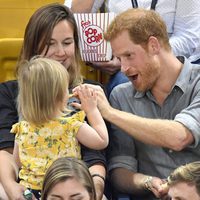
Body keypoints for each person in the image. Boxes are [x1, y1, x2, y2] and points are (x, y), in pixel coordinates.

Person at [73, 8, 200, 200]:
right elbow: (120, 171)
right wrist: (148, 182)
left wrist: (109, 112)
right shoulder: (121, 96)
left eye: (129, 56)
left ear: (153, 45)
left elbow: (180, 136)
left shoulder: (197, 83)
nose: (123, 69)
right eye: (119, 58)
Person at [0, 3, 106, 200]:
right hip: (28, 186)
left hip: (77, 183)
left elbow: (96, 154)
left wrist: (94, 188)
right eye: (50, 43)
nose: (60, 52)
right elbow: (8, 152)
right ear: (33, 45)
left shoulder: (88, 91)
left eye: (67, 43)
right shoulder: (8, 92)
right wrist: (12, 187)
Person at [11, 57, 108, 199]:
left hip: (32, 193)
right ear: (60, 96)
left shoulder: (22, 128)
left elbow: (18, 162)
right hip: (66, 192)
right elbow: (102, 140)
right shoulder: (70, 124)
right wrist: (92, 110)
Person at [66, 0, 200, 95]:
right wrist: (125, 58)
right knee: (121, 89)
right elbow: (70, 19)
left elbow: (189, 37)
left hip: (175, 59)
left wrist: (142, 57)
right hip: (126, 60)